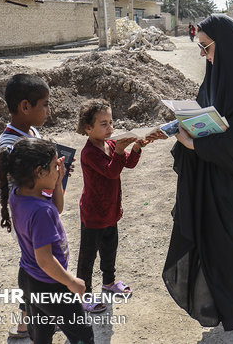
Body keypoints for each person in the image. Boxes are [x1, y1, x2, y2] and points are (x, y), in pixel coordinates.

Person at [161, 14, 233, 343]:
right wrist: (173, 128)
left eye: (206, 47)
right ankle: (230, 307)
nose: (202, 54)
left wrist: (194, 143)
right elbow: (201, 112)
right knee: (214, 251)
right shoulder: (214, 78)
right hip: (209, 180)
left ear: (226, 46)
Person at [0, 138, 94, 344]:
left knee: (41, 335)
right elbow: (45, 260)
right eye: (53, 168)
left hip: (29, 278)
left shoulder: (19, 193)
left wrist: (58, 181)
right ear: (39, 173)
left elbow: (57, 208)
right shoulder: (41, 211)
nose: (57, 170)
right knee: (82, 335)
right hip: (52, 285)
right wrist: (71, 282)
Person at [0, 73, 51, 339]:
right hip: (29, 218)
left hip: (38, 214)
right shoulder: (10, 144)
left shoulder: (30, 132)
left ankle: (30, 322)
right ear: (25, 107)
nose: (49, 110)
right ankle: (32, 323)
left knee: (36, 267)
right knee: (35, 269)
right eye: (45, 105)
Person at [75, 99, 148, 312]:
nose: (110, 128)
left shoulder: (112, 144)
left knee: (109, 249)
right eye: (103, 124)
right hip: (93, 214)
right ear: (88, 129)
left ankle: (108, 282)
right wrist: (119, 152)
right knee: (87, 256)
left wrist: (135, 147)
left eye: (111, 122)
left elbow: (129, 164)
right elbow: (111, 171)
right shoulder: (89, 153)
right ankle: (83, 294)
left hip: (111, 211)